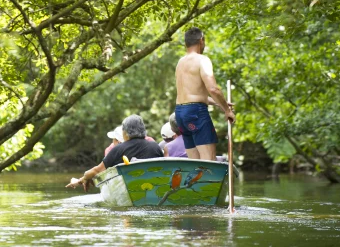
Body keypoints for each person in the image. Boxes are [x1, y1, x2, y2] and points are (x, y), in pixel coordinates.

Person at [174, 27, 235, 161]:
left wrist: (220, 103)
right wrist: (227, 110)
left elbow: (193, 93)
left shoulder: (180, 63)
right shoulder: (202, 60)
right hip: (196, 113)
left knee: (194, 163)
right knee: (208, 161)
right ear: (201, 41)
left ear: (186, 43)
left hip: (180, 114)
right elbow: (213, 89)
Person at [66, 115, 163, 191]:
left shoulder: (118, 149)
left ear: (125, 132)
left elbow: (97, 171)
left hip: (132, 188)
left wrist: (84, 177)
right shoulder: (155, 146)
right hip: (154, 187)